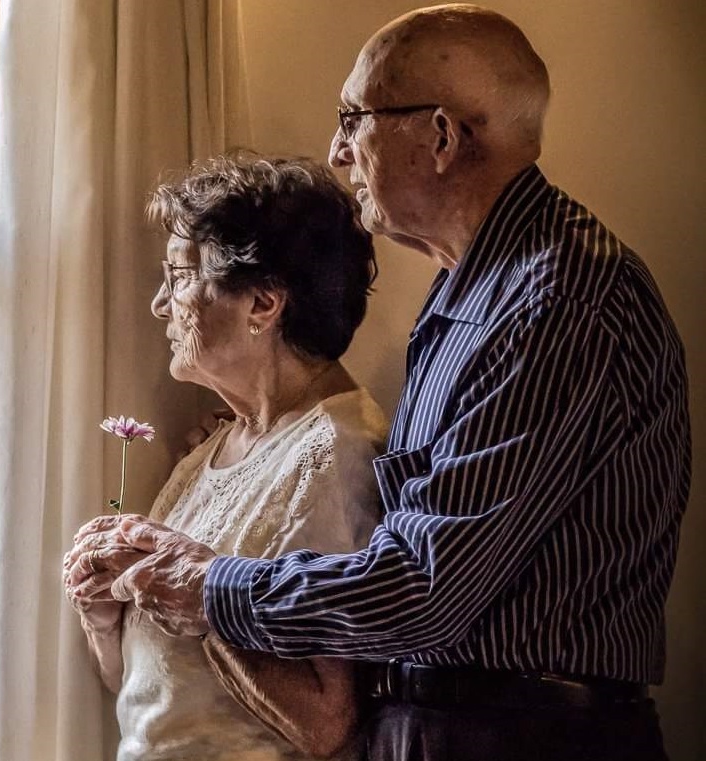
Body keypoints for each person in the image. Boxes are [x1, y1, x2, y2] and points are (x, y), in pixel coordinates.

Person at [69, 5, 692, 761]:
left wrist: (208, 586)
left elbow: (429, 585)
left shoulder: (559, 299)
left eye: (354, 119)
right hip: (453, 725)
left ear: (441, 137)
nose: (338, 151)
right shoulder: (474, 294)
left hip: (524, 733)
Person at [63, 153, 388, 760]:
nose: (161, 305)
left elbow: (329, 722)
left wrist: (204, 605)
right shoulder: (212, 451)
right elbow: (160, 695)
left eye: (179, 277)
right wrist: (103, 618)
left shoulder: (337, 456)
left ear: (263, 303)